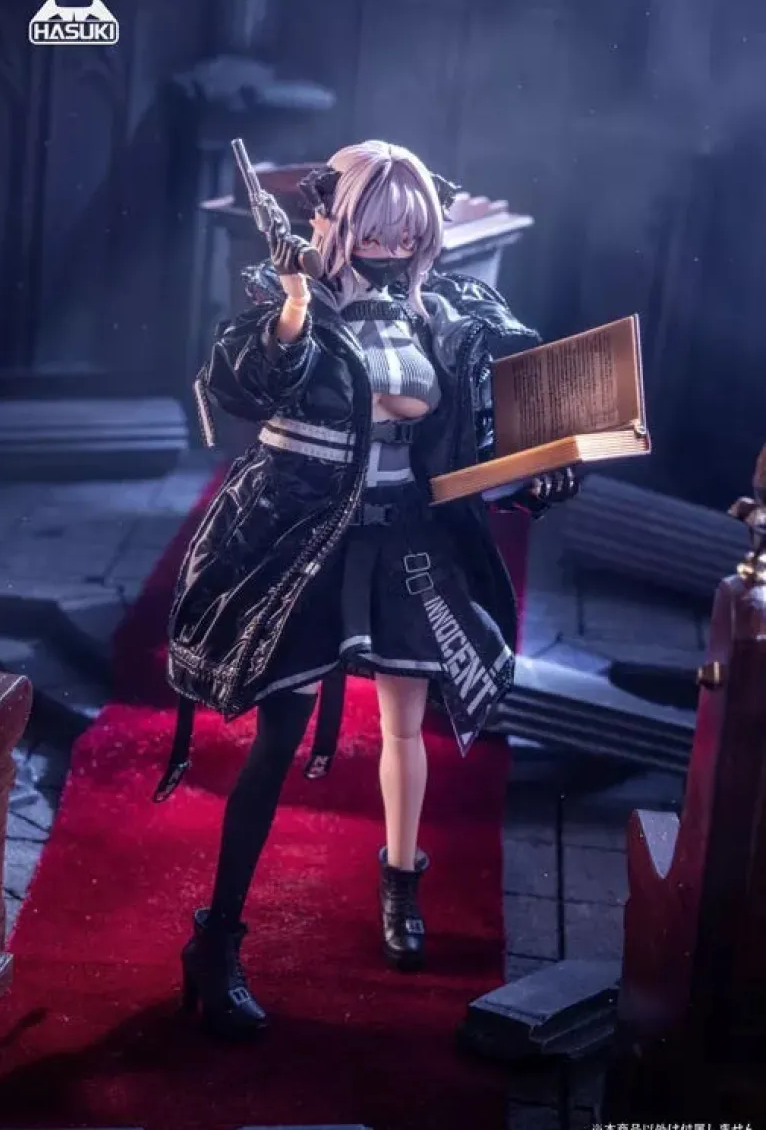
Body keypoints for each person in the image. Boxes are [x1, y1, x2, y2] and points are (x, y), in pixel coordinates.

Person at [166, 139, 578, 1038]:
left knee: (403, 717)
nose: (392, 248)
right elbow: (244, 383)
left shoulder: (450, 310)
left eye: (408, 233)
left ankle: (400, 883)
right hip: (301, 528)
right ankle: (218, 938)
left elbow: (492, 418)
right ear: (339, 223)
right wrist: (298, 302)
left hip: (404, 531)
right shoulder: (288, 298)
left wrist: (543, 466)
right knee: (278, 736)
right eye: (376, 232)